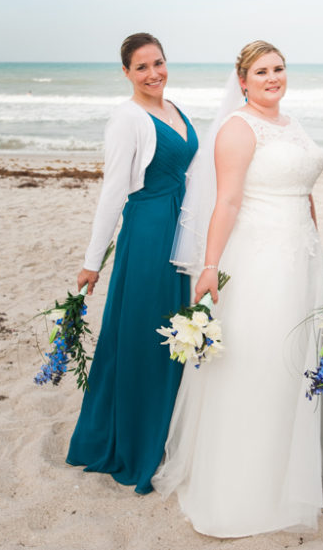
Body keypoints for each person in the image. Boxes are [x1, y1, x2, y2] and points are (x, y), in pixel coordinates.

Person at [152, 41, 323, 537]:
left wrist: (318, 246)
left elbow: (306, 193)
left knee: (293, 362)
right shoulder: (237, 127)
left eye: (279, 69)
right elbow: (227, 201)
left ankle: (284, 472)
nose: (273, 77)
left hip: (303, 257)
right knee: (258, 362)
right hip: (260, 260)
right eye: (262, 71)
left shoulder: (291, 123)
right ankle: (241, 489)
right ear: (243, 79)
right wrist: (209, 265)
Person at [66, 33, 198, 494]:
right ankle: (137, 438)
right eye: (141, 67)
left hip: (180, 230)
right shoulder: (126, 118)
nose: (153, 73)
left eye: (158, 63)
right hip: (146, 232)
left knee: (176, 331)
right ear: (126, 73)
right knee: (145, 332)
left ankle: (166, 430)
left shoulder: (176, 110)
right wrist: (92, 261)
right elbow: (113, 191)